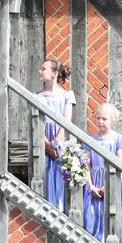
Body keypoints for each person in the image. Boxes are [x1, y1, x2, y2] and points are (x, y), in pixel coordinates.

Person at [83, 103, 122, 243]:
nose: (100, 122)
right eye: (98, 118)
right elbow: (86, 165)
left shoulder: (118, 139)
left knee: (115, 215)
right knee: (94, 216)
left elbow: (120, 163)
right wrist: (91, 186)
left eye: (104, 119)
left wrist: (107, 186)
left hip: (113, 181)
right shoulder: (90, 139)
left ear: (111, 120)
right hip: (94, 182)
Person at [36, 58, 75, 212]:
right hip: (43, 140)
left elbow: (66, 121)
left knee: (60, 178)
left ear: (54, 74)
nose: (40, 71)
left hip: (59, 141)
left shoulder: (66, 95)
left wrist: (56, 141)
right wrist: (47, 144)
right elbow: (37, 122)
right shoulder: (38, 96)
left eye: (43, 68)